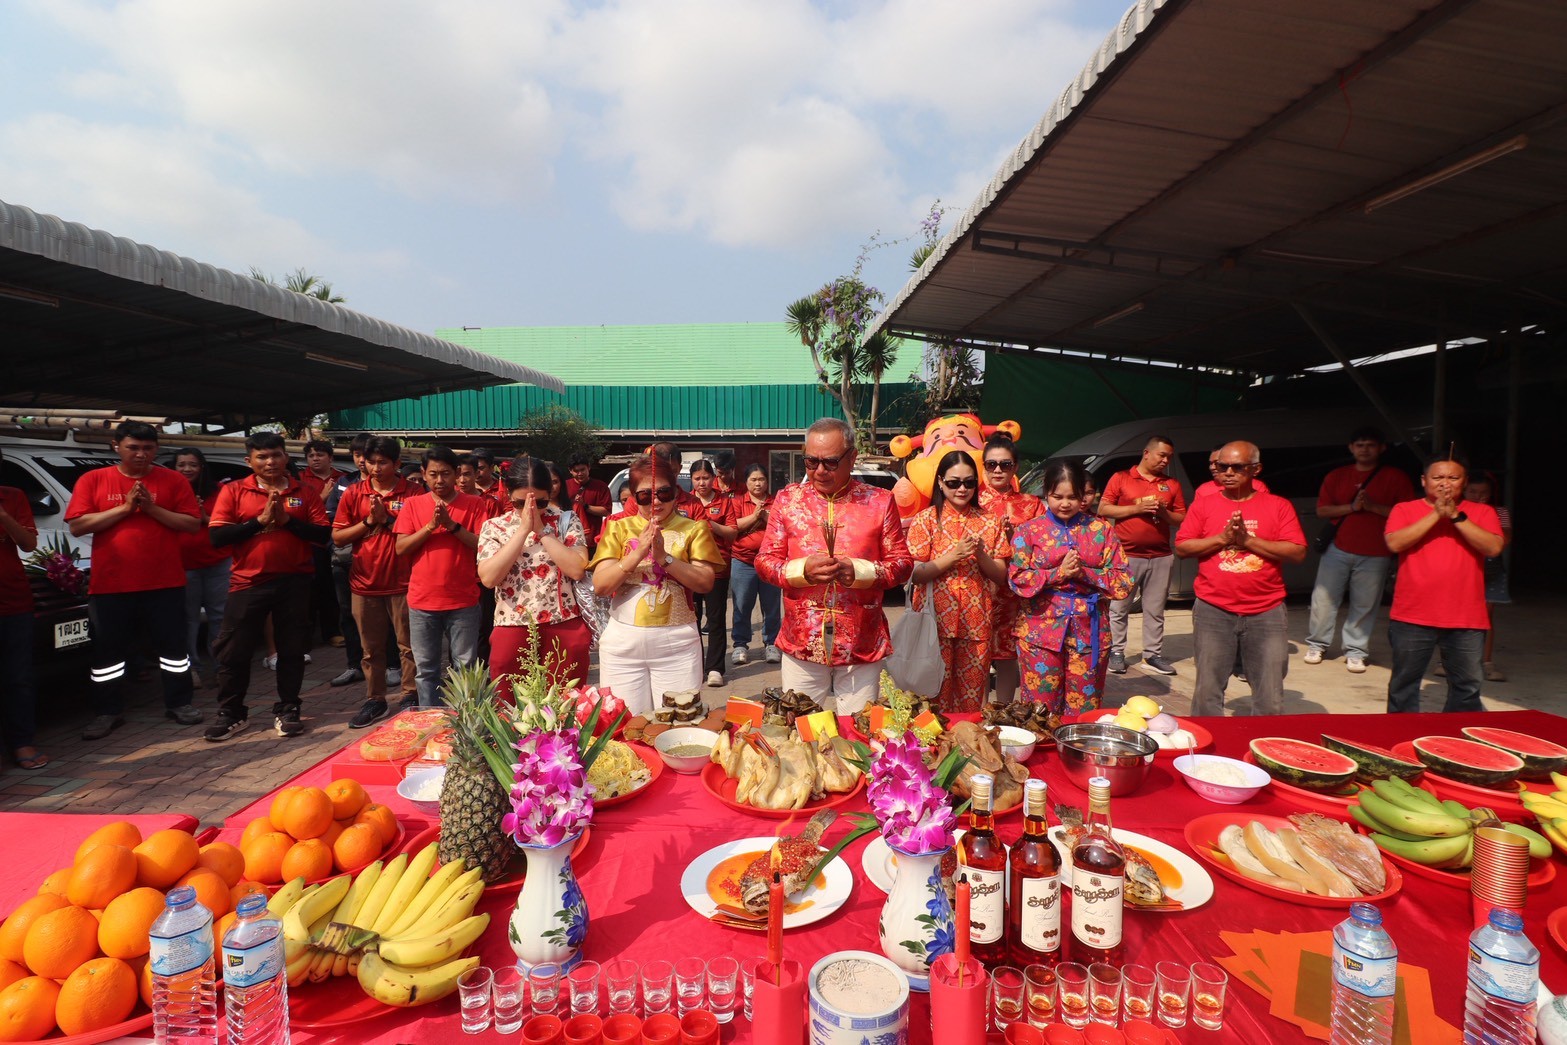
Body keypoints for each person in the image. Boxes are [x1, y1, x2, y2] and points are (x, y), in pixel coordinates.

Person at [754, 418, 913, 713]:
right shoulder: (788, 500)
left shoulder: (879, 501)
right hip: (802, 640)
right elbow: (764, 562)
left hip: (861, 642)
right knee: (801, 727)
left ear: (852, 457)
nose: (819, 471)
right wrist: (802, 571)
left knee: (857, 730)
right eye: (811, 461)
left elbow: (902, 564)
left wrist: (862, 572)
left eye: (830, 462)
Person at [65, 420, 202, 740]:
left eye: (148, 448)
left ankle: (180, 703)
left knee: (173, 649)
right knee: (108, 653)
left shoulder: (173, 480)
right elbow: (78, 525)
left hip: (165, 582)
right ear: (116, 446)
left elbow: (191, 524)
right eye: (133, 447)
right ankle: (107, 711)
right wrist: (126, 508)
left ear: (157, 449)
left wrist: (151, 509)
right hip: (111, 585)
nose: (141, 454)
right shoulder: (93, 479)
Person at [203, 432, 330, 741]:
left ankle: (288, 709)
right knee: (234, 650)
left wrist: (287, 521)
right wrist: (258, 522)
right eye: (262, 456)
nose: (270, 461)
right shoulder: (234, 491)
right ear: (250, 461)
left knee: (292, 649)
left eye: (276, 455)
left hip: (295, 582)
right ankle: (231, 713)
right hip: (248, 582)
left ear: (285, 457)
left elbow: (322, 534)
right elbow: (218, 537)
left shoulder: (305, 491)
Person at [1175, 441, 1307, 716]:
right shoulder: (1204, 505)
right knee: (1208, 691)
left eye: (1237, 467)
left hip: (1266, 610)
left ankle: (1262, 740)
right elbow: (1183, 547)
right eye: (1222, 466)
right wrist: (1223, 538)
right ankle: (1209, 742)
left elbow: (1297, 552)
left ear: (1256, 469)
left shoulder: (1278, 506)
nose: (1228, 473)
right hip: (1213, 608)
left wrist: (1248, 541)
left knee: (1269, 694)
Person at [589, 453, 720, 716]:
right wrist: (638, 553)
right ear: (633, 496)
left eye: (664, 492)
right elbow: (601, 586)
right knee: (626, 723)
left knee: (679, 722)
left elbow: (705, 582)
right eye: (645, 495)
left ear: (676, 492)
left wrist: (664, 558)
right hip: (622, 643)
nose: (656, 501)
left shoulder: (694, 529)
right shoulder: (618, 528)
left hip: (677, 643)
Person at [1009, 460, 1132, 722]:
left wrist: (1084, 573)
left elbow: (1123, 581)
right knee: (1039, 712)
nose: (1065, 504)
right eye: (1057, 497)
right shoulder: (1029, 531)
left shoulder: (1101, 530)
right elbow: (1017, 579)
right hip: (1040, 634)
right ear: (1046, 493)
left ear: (1084, 496)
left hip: (1089, 633)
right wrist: (1058, 573)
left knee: (1084, 712)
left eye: (1073, 497)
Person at [1384, 458, 1504, 714]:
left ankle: (1458, 734)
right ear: (1424, 480)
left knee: (1467, 686)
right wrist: (1436, 515)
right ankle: (1401, 732)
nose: (1445, 483)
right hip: (1413, 614)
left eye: (1453, 478)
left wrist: (1456, 516)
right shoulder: (1404, 509)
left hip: (1466, 616)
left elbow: (1493, 547)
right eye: (1438, 478)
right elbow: (1395, 543)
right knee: (1404, 684)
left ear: (1465, 482)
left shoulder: (1483, 512)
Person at [1304, 427, 1414, 673]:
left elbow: (1407, 515)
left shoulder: (1395, 477)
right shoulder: (1337, 476)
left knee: (1365, 603)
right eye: (1360, 445)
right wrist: (1353, 508)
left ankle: (1356, 651)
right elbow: (1322, 510)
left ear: (1382, 448)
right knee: (1323, 599)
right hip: (1338, 547)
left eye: (1371, 445)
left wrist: (1373, 507)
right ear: (1351, 448)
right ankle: (1317, 645)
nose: (1365, 449)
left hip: (1377, 551)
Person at [394, 447, 498, 708]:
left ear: (457, 473)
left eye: (446, 474)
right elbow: (401, 548)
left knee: (465, 667)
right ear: (423, 474)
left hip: (463, 600)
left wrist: (452, 526)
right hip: (422, 601)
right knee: (426, 669)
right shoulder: (413, 505)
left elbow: (482, 545)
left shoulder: (474, 504)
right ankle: (430, 719)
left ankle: (466, 720)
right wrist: (430, 527)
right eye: (433, 474)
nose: (439, 480)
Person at [908, 451, 1011, 713]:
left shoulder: (990, 521)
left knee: (971, 700)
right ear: (940, 482)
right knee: (932, 699)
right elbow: (915, 574)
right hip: (934, 622)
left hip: (976, 622)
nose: (962, 489)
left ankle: (967, 738)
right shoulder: (926, 520)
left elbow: (1000, 575)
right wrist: (954, 556)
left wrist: (980, 554)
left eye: (969, 482)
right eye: (954, 483)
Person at [478, 456, 591, 688]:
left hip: (563, 622)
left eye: (540, 502)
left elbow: (577, 569)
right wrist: (522, 531)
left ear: (550, 493)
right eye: (520, 503)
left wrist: (541, 530)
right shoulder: (494, 527)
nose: (530, 509)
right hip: (512, 623)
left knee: (566, 702)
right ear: (508, 494)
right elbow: (489, 578)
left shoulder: (566, 520)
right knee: (510, 702)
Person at [335, 436, 420, 726]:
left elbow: (421, 534)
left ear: (397, 463)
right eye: (370, 461)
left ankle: (410, 695)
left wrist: (387, 520)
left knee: (408, 646)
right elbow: (338, 537)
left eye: (382, 462)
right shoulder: (353, 493)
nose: (375, 467)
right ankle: (375, 699)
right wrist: (369, 522)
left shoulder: (414, 492)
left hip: (405, 582)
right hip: (364, 584)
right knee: (370, 649)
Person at [1098, 435, 1187, 677]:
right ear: (1147, 453)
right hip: (1126, 555)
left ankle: (1152, 655)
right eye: (1162, 455)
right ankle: (1116, 652)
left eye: (1169, 457)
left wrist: (1164, 513)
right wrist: (1137, 508)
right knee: (1119, 607)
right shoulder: (1121, 478)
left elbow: (1181, 518)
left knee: (1155, 609)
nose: (1165, 461)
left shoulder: (1171, 484)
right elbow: (1104, 508)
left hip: (1161, 556)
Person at [978, 433, 1043, 704]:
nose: (998, 470)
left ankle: (1004, 712)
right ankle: (980, 714)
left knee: (1007, 656)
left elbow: (1043, 547)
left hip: (1014, 594)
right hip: (979, 590)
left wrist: (1013, 537)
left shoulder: (1032, 504)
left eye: (1005, 464)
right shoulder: (971, 501)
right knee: (978, 658)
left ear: (1015, 467)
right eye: (991, 464)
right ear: (984, 466)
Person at [173, 448, 231, 689]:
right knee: (188, 620)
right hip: (183, 564)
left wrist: (204, 516)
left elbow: (229, 523)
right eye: (181, 465)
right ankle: (192, 669)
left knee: (219, 617)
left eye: (193, 464)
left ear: (202, 467)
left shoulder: (219, 490)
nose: (187, 469)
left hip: (218, 562)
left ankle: (221, 667)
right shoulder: (169, 491)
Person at [0, 451, 44, 770]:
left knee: (17, 677)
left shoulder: (13, 496)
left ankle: (21, 742)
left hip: (12, 600)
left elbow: (28, 544)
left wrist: (3, 516)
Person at [325, 433, 372, 688]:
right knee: (348, 613)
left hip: (378, 560)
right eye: (357, 455)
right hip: (345, 558)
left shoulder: (391, 486)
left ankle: (391, 665)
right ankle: (354, 665)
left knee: (383, 615)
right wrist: (365, 523)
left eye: (367, 455)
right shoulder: (344, 483)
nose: (362, 460)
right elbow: (333, 518)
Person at [689, 459, 738, 687]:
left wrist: (708, 523)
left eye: (706, 478)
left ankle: (715, 668)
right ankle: (696, 666)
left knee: (716, 619)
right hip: (689, 568)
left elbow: (732, 532)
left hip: (717, 568)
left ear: (713, 478)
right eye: (697, 478)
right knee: (692, 619)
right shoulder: (686, 501)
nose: (702, 483)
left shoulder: (724, 501)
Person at [728, 463, 781, 667]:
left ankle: (772, 643)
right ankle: (740, 645)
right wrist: (754, 516)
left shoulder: (776, 502)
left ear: (767, 481)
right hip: (743, 561)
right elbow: (733, 526)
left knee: (772, 605)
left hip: (770, 562)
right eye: (753, 479)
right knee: (741, 605)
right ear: (746, 482)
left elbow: (782, 527)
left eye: (761, 479)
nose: (758, 483)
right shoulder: (737, 502)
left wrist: (766, 517)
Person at [1464, 473, 1512, 681]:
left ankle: (1486, 662)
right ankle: (1446, 662)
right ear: (1464, 491)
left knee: (1486, 616)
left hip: (1490, 568)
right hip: (1463, 567)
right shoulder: (1456, 510)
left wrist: (1485, 515)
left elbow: (1505, 538)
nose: (1478, 496)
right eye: (1473, 492)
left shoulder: (1499, 511)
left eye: (1483, 492)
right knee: (1456, 613)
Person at [300, 439, 345, 650]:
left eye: (320, 455)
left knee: (332, 589)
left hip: (337, 541)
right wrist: (323, 497)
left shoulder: (343, 479)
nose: (315, 459)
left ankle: (332, 632)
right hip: (311, 543)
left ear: (330, 458)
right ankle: (305, 638)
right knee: (309, 592)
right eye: (311, 456)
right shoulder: (300, 480)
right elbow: (299, 512)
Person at [567, 454, 612, 549]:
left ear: (589, 467)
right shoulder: (564, 486)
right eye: (576, 471)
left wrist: (585, 506)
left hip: (593, 540)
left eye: (582, 469)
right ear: (570, 471)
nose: (580, 473)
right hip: (568, 539)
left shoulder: (601, 487)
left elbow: (607, 511)